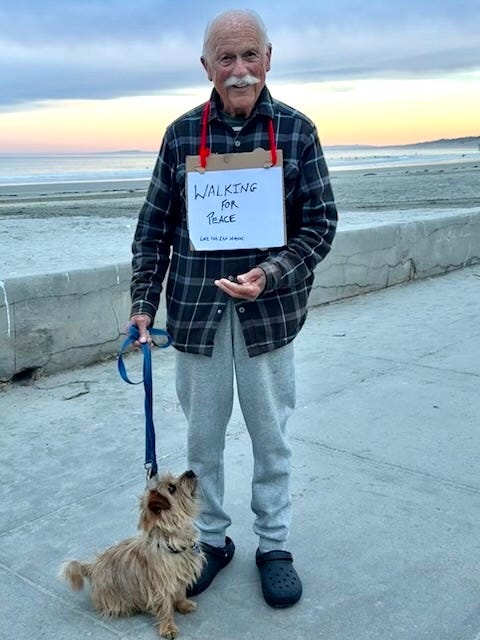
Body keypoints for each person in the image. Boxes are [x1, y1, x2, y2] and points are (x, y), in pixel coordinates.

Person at [128, 8, 337, 608]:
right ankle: (213, 541)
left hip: (268, 319)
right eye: (226, 58)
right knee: (202, 448)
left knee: (272, 442)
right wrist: (143, 304)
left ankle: (274, 545)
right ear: (207, 66)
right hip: (197, 318)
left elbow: (320, 225)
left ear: (268, 59)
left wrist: (270, 274)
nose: (239, 69)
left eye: (250, 56)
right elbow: (153, 230)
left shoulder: (297, 131)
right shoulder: (180, 135)